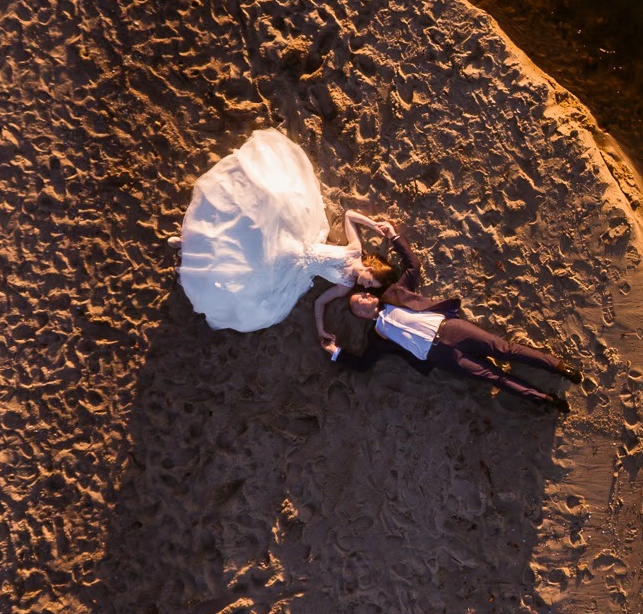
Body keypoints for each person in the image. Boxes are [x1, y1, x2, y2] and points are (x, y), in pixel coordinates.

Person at [324, 221, 580, 412]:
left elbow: (413, 266)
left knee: (505, 349)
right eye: (358, 305)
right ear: (360, 315)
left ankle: (559, 367)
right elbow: (363, 364)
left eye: (363, 296)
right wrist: (335, 351)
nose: (364, 299)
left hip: (451, 330)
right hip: (441, 356)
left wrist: (394, 235)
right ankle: (547, 400)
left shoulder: (394, 293)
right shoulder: (376, 337)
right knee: (493, 376)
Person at [177, 128, 389, 331]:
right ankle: (192, 239)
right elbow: (349, 215)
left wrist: (322, 329)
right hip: (298, 244)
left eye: (370, 287)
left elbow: (320, 303)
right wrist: (374, 225)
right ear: (370, 269)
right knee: (255, 228)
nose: (366, 286)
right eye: (370, 282)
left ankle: (195, 247)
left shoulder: (346, 285)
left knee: (247, 264)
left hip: (293, 271)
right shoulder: (354, 250)